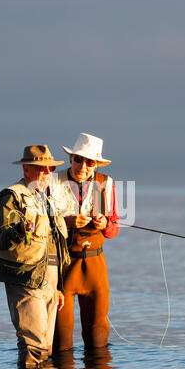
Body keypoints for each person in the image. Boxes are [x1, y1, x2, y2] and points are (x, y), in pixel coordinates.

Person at [0, 145, 70, 368]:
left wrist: (58, 287)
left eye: (49, 169)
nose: (45, 173)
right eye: (38, 168)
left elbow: (54, 247)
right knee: (33, 347)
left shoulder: (48, 200)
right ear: (26, 170)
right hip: (25, 281)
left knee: (46, 348)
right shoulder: (11, 196)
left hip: (50, 284)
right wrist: (19, 230)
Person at [52, 133, 120, 351]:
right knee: (61, 337)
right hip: (62, 263)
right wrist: (68, 222)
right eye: (78, 159)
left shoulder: (105, 184)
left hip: (95, 266)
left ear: (96, 165)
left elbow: (113, 229)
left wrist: (104, 224)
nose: (83, 166)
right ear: (71, 159)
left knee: (97, 334)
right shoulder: (54, 181)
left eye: (89, 162)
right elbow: (42, 223)